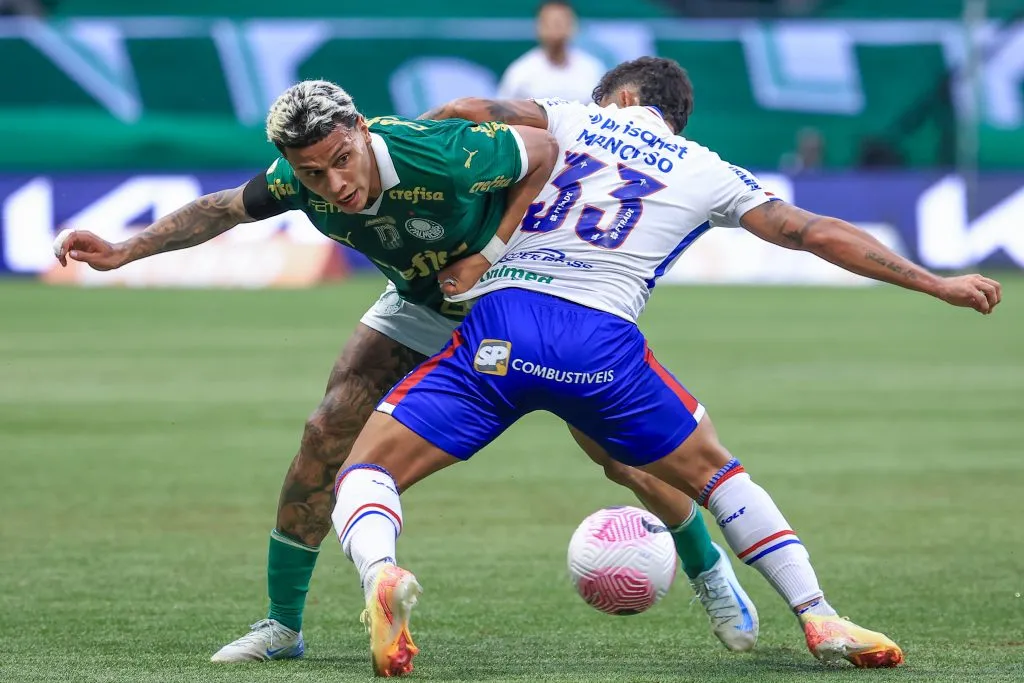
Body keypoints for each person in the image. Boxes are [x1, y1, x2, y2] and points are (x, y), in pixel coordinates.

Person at [332, 56, 1003, 677]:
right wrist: (935, 282)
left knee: (368, 470)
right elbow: (811, 232)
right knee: (719, 474)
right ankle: (819, 614)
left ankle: (381, 574)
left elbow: (464, 109)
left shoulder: (570, 115)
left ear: (621, 96)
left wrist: (401, 154)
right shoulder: (707, 167)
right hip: (599, 345)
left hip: (501, 325)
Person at [52, 78, 757, 662]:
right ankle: (282, 626)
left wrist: (491, 248)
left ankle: (711, 570)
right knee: (324, 431)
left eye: (340, 161)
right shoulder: (297, 178)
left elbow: (541, 150)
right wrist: (123, 251)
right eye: (312, 174)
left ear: (361, 129)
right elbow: (222, 210)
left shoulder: (439, 157)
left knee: (620, 458)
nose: (333, 184)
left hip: (515, 294)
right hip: (420, 300)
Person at [497, 0, 605, 104]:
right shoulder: (521, 71)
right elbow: (501, 112)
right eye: (550, 22)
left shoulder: (592, 69)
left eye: (562, 21)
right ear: (538, 26)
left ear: (574, 25)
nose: (556, 27)